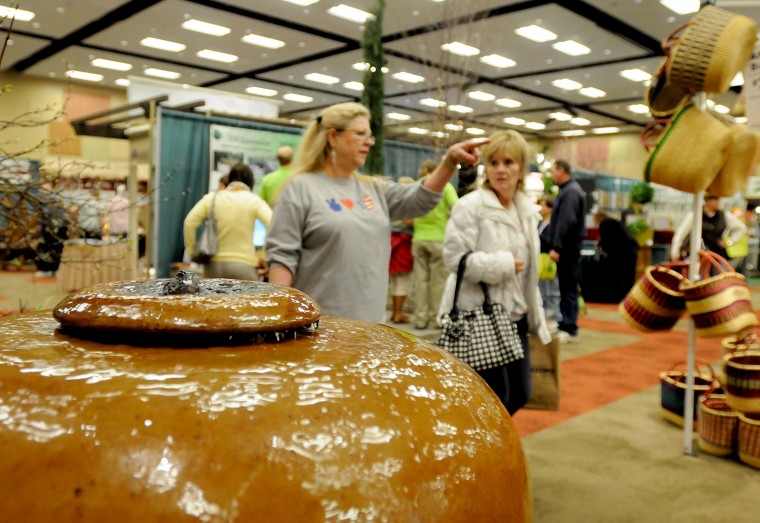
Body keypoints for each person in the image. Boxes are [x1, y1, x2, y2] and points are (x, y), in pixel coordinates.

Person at [265, 101, 484, 323]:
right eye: (360, 134)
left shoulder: (373, 189)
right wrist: (280, 320)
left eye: (370, 135)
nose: (369, 142)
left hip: (370, 327)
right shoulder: (300, 188)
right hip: (318, 327)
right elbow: (282, 258)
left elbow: (420, 198)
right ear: (333, 137)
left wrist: (449, 162)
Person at [437, 129, 551, 414]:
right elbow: (454, 259)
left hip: (516, 315)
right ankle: (485, 451)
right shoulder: (471, 206)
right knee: (493, 399)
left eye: (509, 163)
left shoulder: (526, 211)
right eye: (494, 162)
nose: (501, 170)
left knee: (521, 394)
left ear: (522, 169)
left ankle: (494, 447)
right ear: (485, 167)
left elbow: (529, 274)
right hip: (480, 316)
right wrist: (501, 264)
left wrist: (536, 316)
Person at [184, 162, 272, 280]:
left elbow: (189, 223)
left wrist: (191, 252)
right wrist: (264, 257)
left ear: (229, 179)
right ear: (251, 183)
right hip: (244, 267)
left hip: (213, 267)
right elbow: (272, 224)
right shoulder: (254, 201)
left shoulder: (212, 198)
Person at [412, 159, 459, 330]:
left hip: (418, 238)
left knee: (420, 280)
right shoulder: (445, 186)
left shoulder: (419, 185)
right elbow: (457, 208)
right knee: (438, 282)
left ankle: (420, 318)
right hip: (439, 238)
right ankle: (434, 318)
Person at [547, 160, 586, 344]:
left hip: (567, 250)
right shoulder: (569, 190)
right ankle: (564, 323)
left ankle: (570, 328)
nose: (552, 175)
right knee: (564, 287)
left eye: (553, 171)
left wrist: (558, 247)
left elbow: (567, 222)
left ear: (561, 171)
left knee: (569, 288)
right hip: (567, 249)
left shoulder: (571, 192)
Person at [670, 193, 747, 265]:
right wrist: (675, 253)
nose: (717, 202)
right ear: (707, 201)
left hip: (717, 254)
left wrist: (730, 242)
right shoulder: (696, 215)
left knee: (723, 275)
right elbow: (681, 234)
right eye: (715, 199)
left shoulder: (724, 215)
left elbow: (741, 228)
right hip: (697, 255)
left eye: (718, 199)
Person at [580, 211, 639, 304]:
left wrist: (600, 244)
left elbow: (608, 244)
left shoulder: (606, 224)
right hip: (627, 256)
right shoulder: (615, 224)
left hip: (620, 258)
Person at [388, 176, 415, 324]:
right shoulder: (406, 207)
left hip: (393, 244)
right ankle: (398, 313)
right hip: (403, 244)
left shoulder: (390, 204)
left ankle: (395, 313)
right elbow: (408, 221)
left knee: (395, 283)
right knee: (403, 282)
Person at [33, 182, 68, 278]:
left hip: (57, 228)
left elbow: (61, 216)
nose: (43, 191)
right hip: (45, 229)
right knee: (44, 248)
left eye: (45, 189)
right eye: (42, 189)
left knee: (56, 248)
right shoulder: (40, 201)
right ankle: (45, 269)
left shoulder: (56, 200)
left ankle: (56, 269)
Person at [538, 194, 561, 331]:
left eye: (544, 205)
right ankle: (544, 317)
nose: (541, 207)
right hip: (540, 258)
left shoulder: (555, 224)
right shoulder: (540, 222)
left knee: (552, 290)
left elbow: (552, 241)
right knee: (541, 290)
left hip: (550, 259)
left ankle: (554, 318)